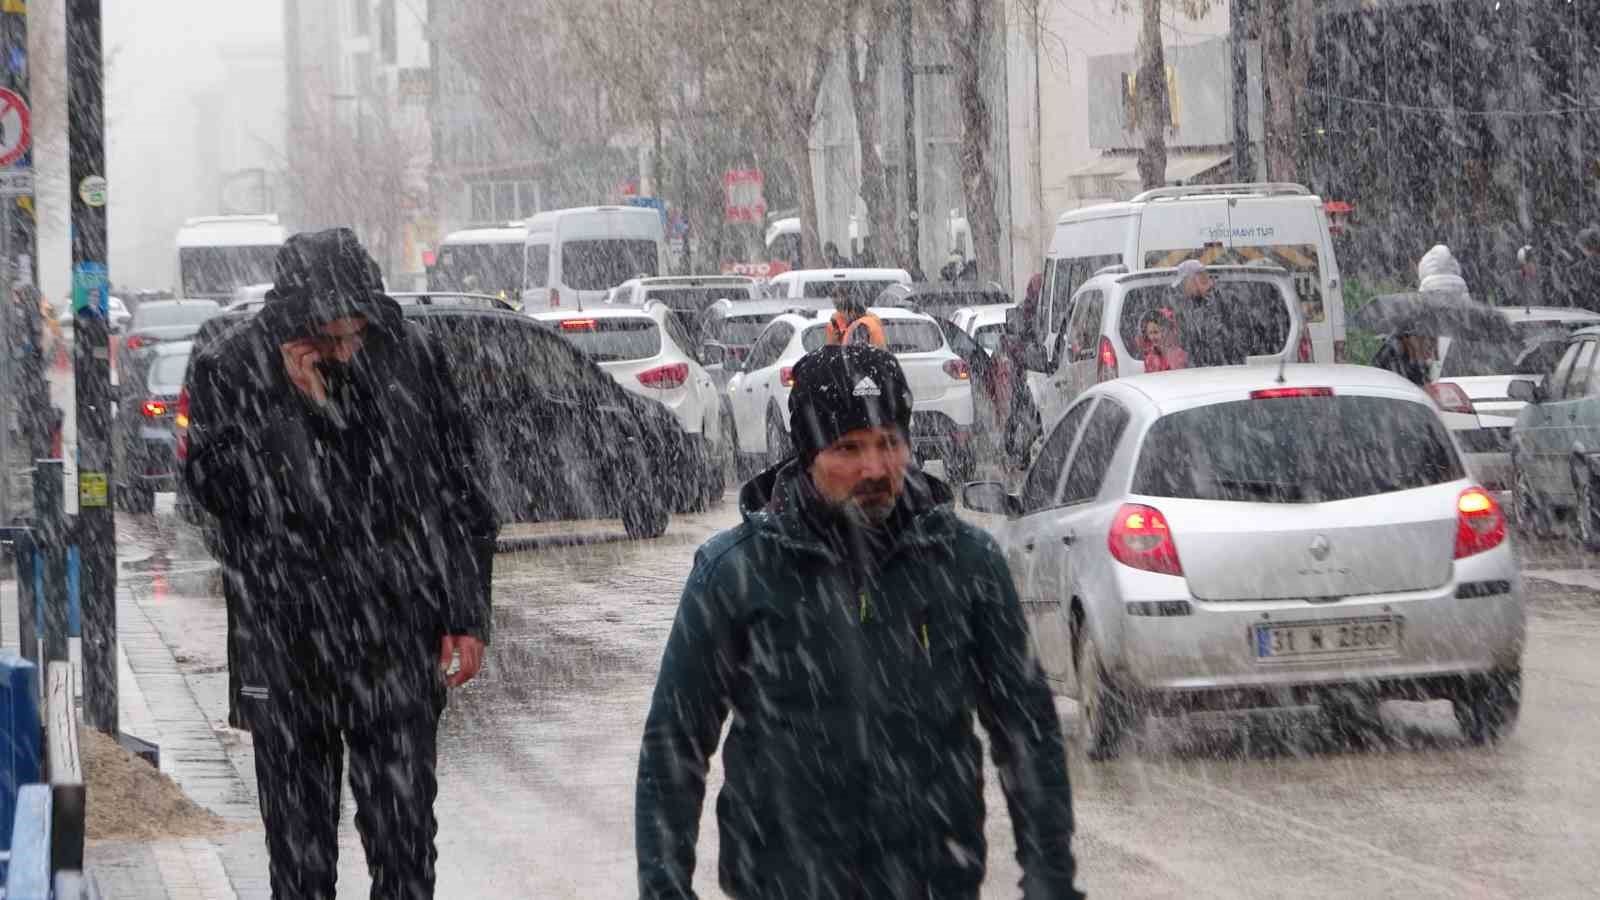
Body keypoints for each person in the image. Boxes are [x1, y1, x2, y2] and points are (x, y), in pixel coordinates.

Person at [635, 344, 1082, 900]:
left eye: (889, 442)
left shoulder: (966, 563)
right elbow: (674, 744)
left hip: (932, 880)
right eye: (848, 447)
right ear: (805, 455)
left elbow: (1026, 729)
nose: (874, 468)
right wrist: (663, 887)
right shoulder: (735, 572)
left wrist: (1051, 880)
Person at [182, 227, 498, 899]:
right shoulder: (231, 369)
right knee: (300, 865)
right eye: (329, 335)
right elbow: (219, 496)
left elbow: (459, 494)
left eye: (355, 329)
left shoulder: (407, 355)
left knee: (406, 849)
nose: (346, 346)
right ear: (294, 324)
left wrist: (468, 618)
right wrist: (289, 406)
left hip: (397, 643)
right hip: (288, 647)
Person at [824, 283, 886, 347]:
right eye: (833, 296)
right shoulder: (834, 321)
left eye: (837, 296)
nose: (834, 301)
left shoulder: (865, 324)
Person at [1140, 307, 1187, 372]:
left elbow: (1180, 377)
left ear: (1165, 331)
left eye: (1156, 332)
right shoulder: (1150, 357)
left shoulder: (1177, 355)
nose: (1153, 337)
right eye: (1150, 333)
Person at [1570, 226, 1600, 314]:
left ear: (1585, 247)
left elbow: (1588, 292)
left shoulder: (1588, 265)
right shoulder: (1587, 264)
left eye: (1581, 248)